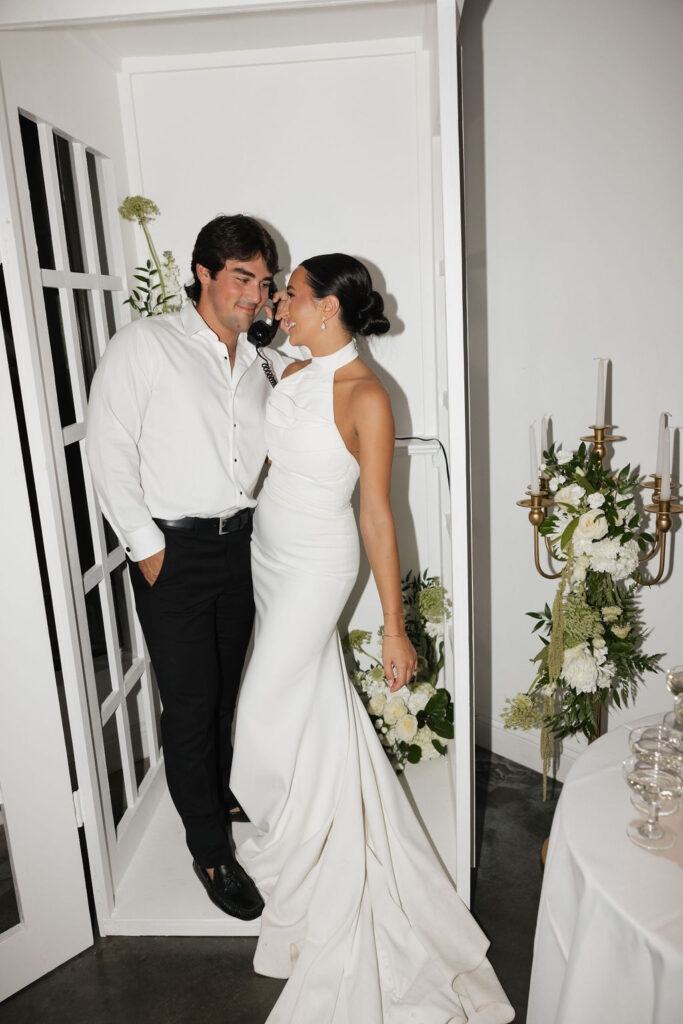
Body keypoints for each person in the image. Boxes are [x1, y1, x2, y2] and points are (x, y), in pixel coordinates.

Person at [229, 254, 514, 1022]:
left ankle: (294, 847)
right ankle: (319, 846)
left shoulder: (368, 396)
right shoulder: (290, 377)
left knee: (257, 716)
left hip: (319, 566)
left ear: (327, 308)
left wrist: (394, 627)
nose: (278, 304)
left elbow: (380, 516)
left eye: (290, 296)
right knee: (310, 706)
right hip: (268, 557)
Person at [86, 214, 288, 920]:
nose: (255, 296)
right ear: (203, 273)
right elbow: (106, 447)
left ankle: (214, 787)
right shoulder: (147, 344)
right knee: (193, 703)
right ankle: (208, 850)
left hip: (241, 546)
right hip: (174, 552)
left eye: (264, 284)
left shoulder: (261, 359)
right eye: (242, 279)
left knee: (228, 687)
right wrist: (148, 550)